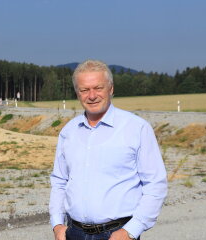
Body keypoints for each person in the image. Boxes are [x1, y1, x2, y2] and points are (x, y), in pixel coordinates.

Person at [49, 60, 167, 240]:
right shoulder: (69, 132)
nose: (92, 95)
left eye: (98, 88)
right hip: (73, 233)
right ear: (77, 93)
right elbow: (59, 181)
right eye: (84, 90)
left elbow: (155, 184)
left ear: (110, 89)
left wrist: (131, 231)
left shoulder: (136, 128)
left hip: (118, 234)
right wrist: (57, 225)